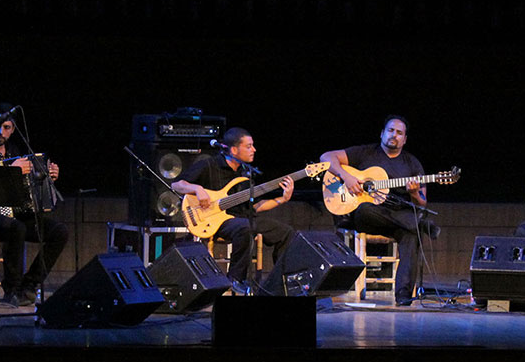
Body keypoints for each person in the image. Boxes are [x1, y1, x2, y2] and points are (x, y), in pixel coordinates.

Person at [320, 116, 439, 306]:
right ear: (382, 133)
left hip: (398, 219)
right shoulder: (365, 152)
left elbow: (422, 202)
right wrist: (347, 177)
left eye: (399, 133)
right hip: (370, 216)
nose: (394, 135)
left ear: (405, 139)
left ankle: (403, 296)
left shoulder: (412, 164)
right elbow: (326, 157)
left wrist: (415, 193)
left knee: (411, 235)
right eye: (391, 130)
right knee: (366, 209)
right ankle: (419, 224)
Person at [0, 104, 68, 307]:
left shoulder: (16, 151)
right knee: (15, 227)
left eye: (7, 127)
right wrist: (10, 170)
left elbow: (28, 187)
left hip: (13, 214)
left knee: (59, 231)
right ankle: (13, 290)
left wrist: (47, 175)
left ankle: (30, 284)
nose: (2, 132)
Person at [170, 127, 295, 291]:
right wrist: (197, 189)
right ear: (234, 150)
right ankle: (235, 279)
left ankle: (280, 282)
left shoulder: (245, 174)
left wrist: (282, 199)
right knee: (245, 228)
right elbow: (176, 184)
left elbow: (255, 206)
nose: (254, 150)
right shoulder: (209, 164)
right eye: (249, 146)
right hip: (216, 221)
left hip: (242, 219)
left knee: (285, 232)